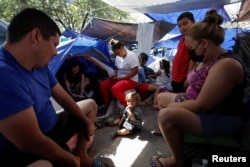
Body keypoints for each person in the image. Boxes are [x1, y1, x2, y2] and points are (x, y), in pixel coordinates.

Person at [0, 8, 107, 167]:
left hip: (52, 128)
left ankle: (81, 154)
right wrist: (71, 162)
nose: (56, 53)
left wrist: (84, 121)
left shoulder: (39, 65)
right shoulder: (4, 74)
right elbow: (31, 143)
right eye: (54, 44)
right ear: (36, 36)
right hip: (23, 150)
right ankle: (73, 158)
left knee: (89, 105)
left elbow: (63, 97)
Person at [150, 10, 246, 167]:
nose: (190, 52)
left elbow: (202, 105)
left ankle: (177, 160)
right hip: (196, 102)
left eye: (191, 48)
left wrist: (176, 104)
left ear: (205, 43)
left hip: (221, 117)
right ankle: (177, 134)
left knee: (165, 115)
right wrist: (182, 95)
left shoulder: (226, 65)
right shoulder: (208, 58)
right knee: (161, 97)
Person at [99, 39, 139, 108]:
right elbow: (117, 69)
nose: (117, 55)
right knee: (103, 84)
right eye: (116, 54)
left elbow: (135, 71)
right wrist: (114, 74)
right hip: (119, 78)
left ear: (122, 47)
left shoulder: (132, 56)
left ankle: (130, 107)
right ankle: (107, 104)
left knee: (115, 89)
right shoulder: (118, 57)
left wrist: (124, 77)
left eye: (118, 53)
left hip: (131, 79)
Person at [171, 12, 196, 93]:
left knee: (181, 101)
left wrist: (188, 77)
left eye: (185, 23)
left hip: (184, 79)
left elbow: (193, 60)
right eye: (180, 26)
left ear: (193, 22)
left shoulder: (194, 40)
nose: (182, 27)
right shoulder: (181, 40)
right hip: (175, 78)